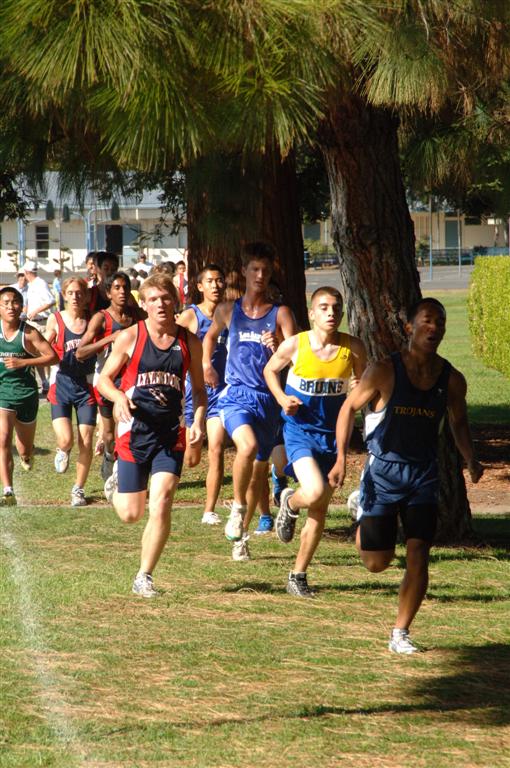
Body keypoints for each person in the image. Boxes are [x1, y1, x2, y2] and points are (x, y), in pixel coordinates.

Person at [328, 297, 483, 653]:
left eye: (440, 322)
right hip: (382, 474)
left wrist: (470, 458)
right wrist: (341, 460)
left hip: (423, 476)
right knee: (376, 563)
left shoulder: (451, 379)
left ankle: (400, 632)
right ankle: (362, 512)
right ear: (410, 327)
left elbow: (459, 421)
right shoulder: (385, 371)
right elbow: (348, 409)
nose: (435, 327)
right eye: (427, 320)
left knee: (419, 553)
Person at [97, 272, 206, 598]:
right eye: (153, 299)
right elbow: (103, 380)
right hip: (134, 432)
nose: (160, 304)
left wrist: (198, 421)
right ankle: (116, 483)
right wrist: (118, 397)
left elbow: (199, 390)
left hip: (170, 434)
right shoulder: (131, 337)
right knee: (131, 514)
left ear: (175, 301)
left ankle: (144, 576)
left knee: (162, 502)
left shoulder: (189, 342)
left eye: (166, 298)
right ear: (143, 304)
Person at [264, 287, 367, 596]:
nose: (331, 313)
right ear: (311, 314)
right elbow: (270, 370)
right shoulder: (296, 344)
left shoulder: (353, 348)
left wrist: (358, 389)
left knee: (319, 509)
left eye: (336, 307)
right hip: (300, 431)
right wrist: (282, 399)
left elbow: (362, 391)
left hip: (333, 436)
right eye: (324, 307)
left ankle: (297, 575)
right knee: (315, 491)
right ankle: (289, 503)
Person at [203, 241, 296, 561]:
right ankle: (238, 508)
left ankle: (240, 537)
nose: (260, 275)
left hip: (268, 400)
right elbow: (210, 336)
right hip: (236, 395)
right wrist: (206, 365)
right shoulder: (228, 310)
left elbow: (296, 357)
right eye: (254, 269)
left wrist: (278, 345)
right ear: (243, 271)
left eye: (265, 271)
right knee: (246, 446)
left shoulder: (281, 313)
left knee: (258, 472)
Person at [76, 272, 143, 482]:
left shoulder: (137, 315)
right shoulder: (101, 318)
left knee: (128, 426)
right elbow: (80, 352)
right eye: (117, 288)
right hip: (107, 381)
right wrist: (110, 339)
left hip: (131, 381)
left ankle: (124, 470)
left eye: (125, 287)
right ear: (108, 293)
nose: (122, 291)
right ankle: (108, 454)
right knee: (108, 434)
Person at [178, 264, 228, 525]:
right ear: (199, 286)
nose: (215, 285)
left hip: (223, 392)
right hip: (195, 391)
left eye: (219, 280)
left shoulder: (232, 313)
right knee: (192, 458)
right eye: (210, 281)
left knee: (216, 449)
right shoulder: (190, 316)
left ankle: (209, 510)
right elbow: (171, 345)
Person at [0, 287, 57, 505]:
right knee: (3, 439)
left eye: (15, 302)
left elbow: (53, 357)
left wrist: (23, 362)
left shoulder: (29, 332)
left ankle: (27, 454)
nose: (10, 307)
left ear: (21, 306)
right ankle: (8, 491)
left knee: (24, 449)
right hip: (3, 393)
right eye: (6, 303)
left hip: (26, 394)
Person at [45, 277, 97, 507]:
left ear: (85, 296)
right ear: (64, 295)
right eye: (71, 293)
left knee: (86, 440)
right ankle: (63, 449)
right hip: (62, 383)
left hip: (86, 386)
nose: (75, 297)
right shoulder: (55, 319)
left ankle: (78, 489)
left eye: (79, 293)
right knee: (66, 439)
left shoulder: (93, 321)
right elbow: (43, 345)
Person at [23, 260, 56, 394]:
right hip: (32, 322)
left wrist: (36, 311)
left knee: (45, 353)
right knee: (35, 354)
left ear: (27, 272)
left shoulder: (40, 283)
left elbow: (51, 301)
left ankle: (49, 380)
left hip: (41, 322)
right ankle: (44, 381)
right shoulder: (30, 285)